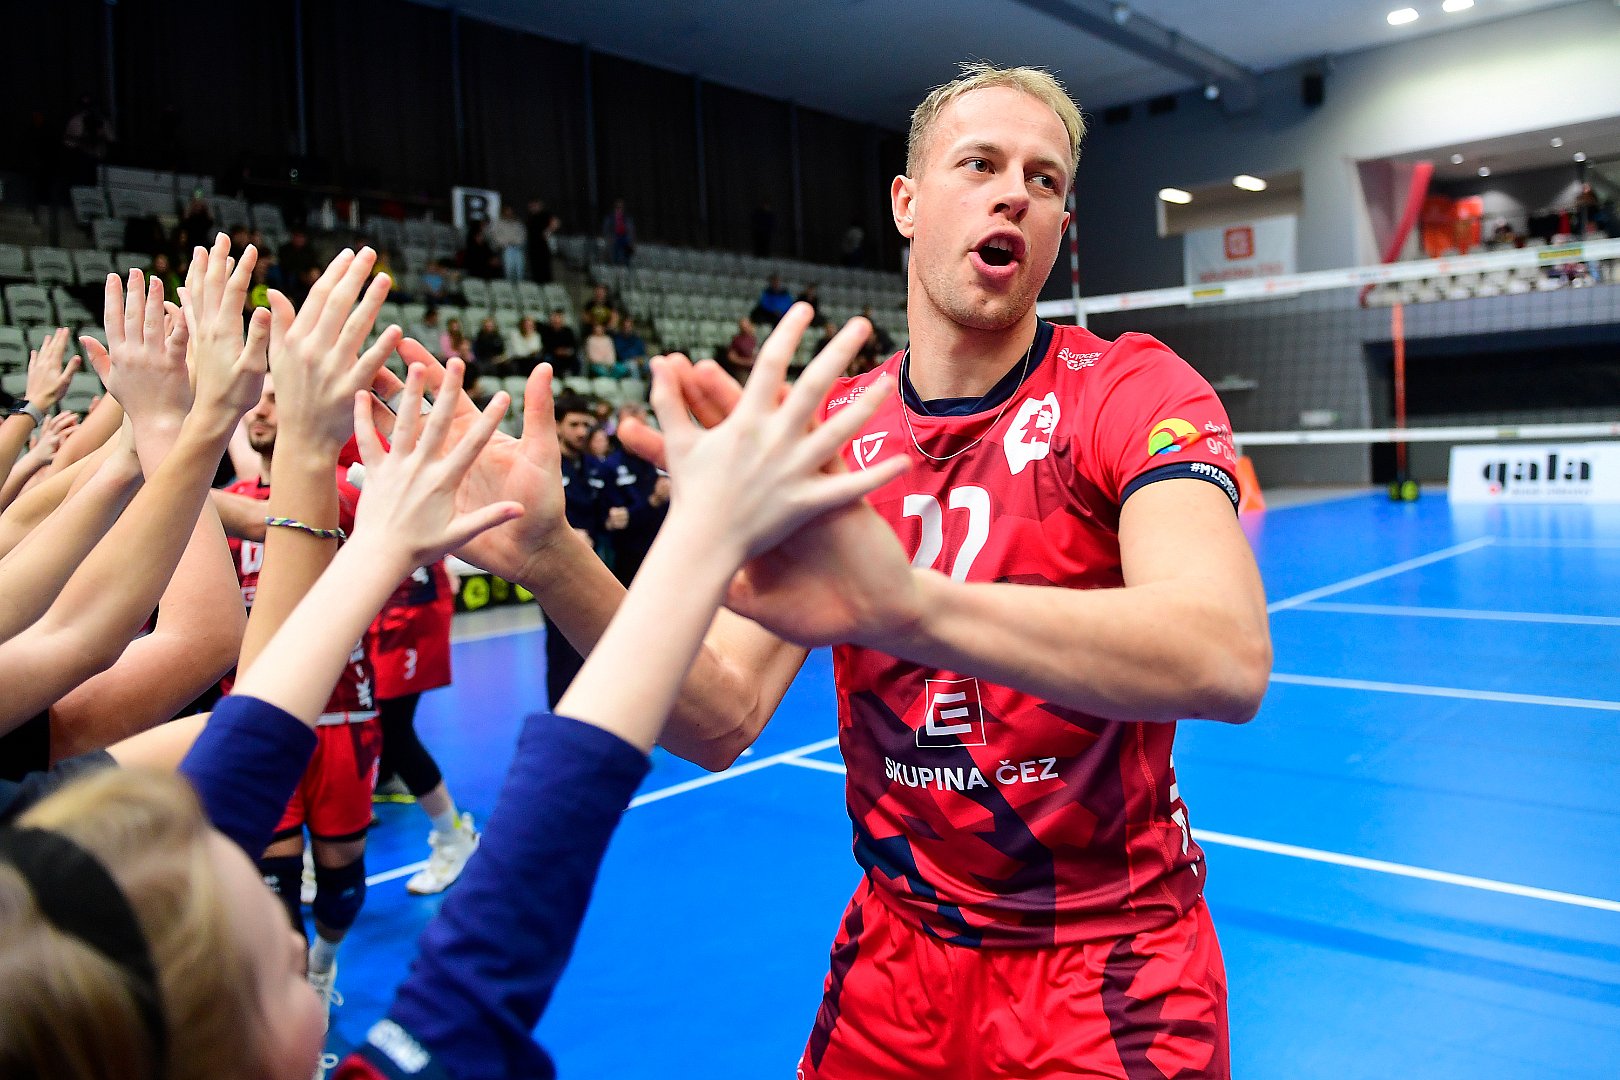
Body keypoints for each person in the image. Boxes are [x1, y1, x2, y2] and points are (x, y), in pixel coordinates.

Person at [387, 61, 1270, 1080]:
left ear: (1061, 226)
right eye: (979, 164)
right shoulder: (831, 432)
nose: (1014, 195)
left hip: (1108, 967)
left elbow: (1225, 654)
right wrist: (553, 558)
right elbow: (718, 718)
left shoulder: (1131, 388)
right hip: (898, 959)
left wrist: (907, 606)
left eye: (1045, 180)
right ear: (906, 203)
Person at [368, 556, 480, 896]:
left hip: (406, 607)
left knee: (392, 727)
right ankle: (376, 787)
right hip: (370, 603)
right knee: (361, 718)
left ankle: (453, 835)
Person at [489, 204, 527, 283]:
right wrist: (506, 243)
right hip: (506, 249)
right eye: (507, 211)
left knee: (520, 271)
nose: (509, 213)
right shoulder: (498, 223)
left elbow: (523, 236)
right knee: (509, 271)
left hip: (518, 249)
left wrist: (515, 242)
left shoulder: (518, 223)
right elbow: (495, 236)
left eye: (510, 212)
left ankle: (520, 285)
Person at [525, 199, 559, 284]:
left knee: (544, 266)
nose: (533, 207)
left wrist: (548, 231)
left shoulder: (545, 214)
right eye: (531, 205)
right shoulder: (530, 217)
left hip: (543, 245)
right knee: (534, 267)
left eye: (535, 205)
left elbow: (556, 222)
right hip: (532, 245)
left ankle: (547, 284)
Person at [540, 308, 579, 377]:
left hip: (566, 355)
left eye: (559, 318)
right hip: (552, 354)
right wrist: (556, 351)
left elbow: (574, 345)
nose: (557, 320)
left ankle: (573, 378)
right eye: (555, 318)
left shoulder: (568, 331)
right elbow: (545, 345)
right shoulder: (546, 331)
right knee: (547, 359)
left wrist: (567, 351)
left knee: (576, 360)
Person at [602, 196, 635, 266]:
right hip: (615, 237)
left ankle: (626, 264)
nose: (619, 209)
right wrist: (608, 237)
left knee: (627, 253)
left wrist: (631, 240)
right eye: (618, 207)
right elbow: (606, 228)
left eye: (621, 207)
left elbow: (631, 229)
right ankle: (615, 264)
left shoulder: (627, 217)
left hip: (625, 237)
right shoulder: (610, 217)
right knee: (615, 253)